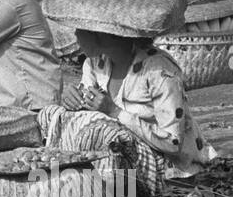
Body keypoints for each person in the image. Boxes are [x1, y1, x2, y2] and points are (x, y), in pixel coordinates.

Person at [69, 28, 213, 180]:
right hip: (118, 158)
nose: (76, 35)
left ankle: (114, 195)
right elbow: (87, 112)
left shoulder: (159, 70)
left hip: (167, 167)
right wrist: (73, 102)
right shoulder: (94, 64)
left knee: (114, 140)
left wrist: (115, 112)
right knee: (54, 114)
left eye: (82, 29)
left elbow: (173, 142)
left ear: (103, 35)